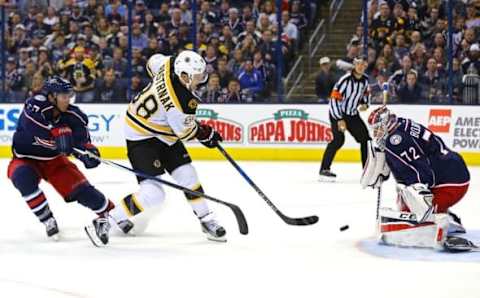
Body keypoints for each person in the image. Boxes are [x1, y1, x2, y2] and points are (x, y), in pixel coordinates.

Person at [107, 51, 227, 242]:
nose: (200, 80)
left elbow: (151, 63)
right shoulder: (181, 103)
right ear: (184, 76)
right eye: (196, 77)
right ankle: (109, 220)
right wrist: (206, 135)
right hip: (140, 137)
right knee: (153, 193)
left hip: (160, 129)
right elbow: (186, 133)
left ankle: (206, 219)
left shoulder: (169, 64)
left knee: (188, 175)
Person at [7, 76, 132, 246]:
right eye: (63, 96)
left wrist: (88, 153)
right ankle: (48, 220)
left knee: (82, 191)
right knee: (22, 177)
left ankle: (112, 215)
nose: (67, 100)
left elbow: (82, 141)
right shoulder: (35, 104)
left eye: (69, 96)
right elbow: (31, 125)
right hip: (25, 159)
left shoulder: (74, 116)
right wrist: (56, 131)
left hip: (54, 161)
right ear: (51, 96)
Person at [361, 106, 473, 252]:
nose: (376, 133)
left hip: (452, 182)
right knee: (404, 200)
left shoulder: (396, 140)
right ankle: (442, 213)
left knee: (414, 207)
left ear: (387, 124)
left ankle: (440, 218)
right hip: (452, 170)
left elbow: (422, 173)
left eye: (378, 128)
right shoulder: (400, 124)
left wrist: (419, 199)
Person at [319, 56, 371, 181]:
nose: (360, 66)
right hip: (338, 113)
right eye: (358, 64)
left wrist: (365, 104)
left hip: (352, 115)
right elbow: (334, 100)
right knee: (338, 140)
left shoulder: (365, 80)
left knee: (366, 139)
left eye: (363, 64)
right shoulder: (345, 80)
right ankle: (324, 169)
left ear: (366, 66)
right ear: (354, 64)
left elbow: (366, 95)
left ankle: (367, 170)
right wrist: (339, 119)